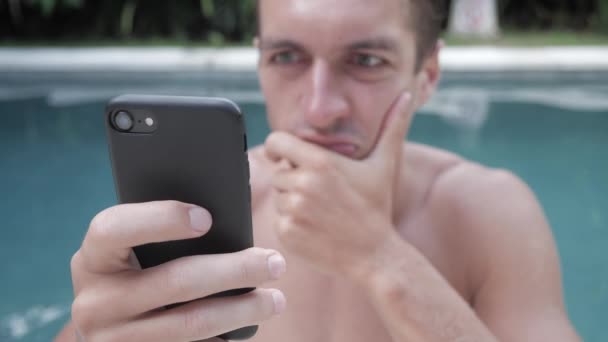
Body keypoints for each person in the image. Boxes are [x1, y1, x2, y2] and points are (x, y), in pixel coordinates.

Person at [56, 0, 582, 341]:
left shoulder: (486, 212)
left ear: (428, 74)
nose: (319, 107)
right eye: (288, 57)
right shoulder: (192, 212)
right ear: (259, 62)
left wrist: (382, 259)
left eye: (366, 61)